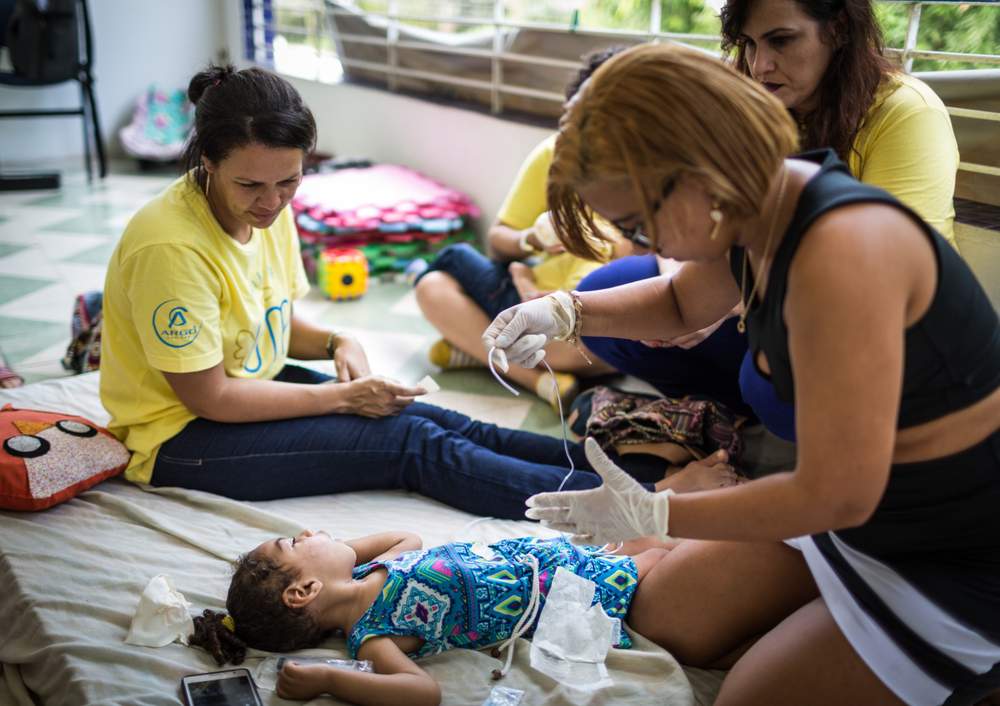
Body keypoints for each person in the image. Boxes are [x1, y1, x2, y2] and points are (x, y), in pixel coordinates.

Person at [485, 44, 1000, 705]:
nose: (648, 245)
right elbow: (681, 302)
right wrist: (565, 311)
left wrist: (657, 511)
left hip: (949, 549)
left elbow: (838, 494)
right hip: (861, 514)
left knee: (746, 698)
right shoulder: (766, 203)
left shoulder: (843, 254)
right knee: (664, 618)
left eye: (639, 222)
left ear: (697, 168)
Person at [98, 64, 725, 519]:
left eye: (288, 182)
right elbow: (210, 397)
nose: (272, 202)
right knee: (412, 444)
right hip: (180, 438)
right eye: (251, 186)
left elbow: (270, 325)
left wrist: (339, 340)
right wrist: (341, 397)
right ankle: (645, 504)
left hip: (241, 389)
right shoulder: (169, 246)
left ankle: (646, 471)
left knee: (432, 416)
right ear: (207, 161)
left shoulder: (268, 209)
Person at [574, 0, 960, 433]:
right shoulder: (750, 105)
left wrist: (724, 303)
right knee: (606, 294)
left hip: (862, 323)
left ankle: (783, 424)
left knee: (770, 378)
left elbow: (880, 283)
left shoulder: (906, 112)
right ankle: (723, 421)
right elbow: (695, 228)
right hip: (756, 293)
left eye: (781, 40)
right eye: (748, 44)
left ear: (838, 28)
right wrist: (568, 309)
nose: (760, 65)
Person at [189, 528, 671, 705]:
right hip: (561, 592)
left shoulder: (369, 572)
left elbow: (409, 539)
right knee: (657, 557)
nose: (309, 533)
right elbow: (423, 692)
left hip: (540, 557)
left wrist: (334, 555)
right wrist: (329, 681)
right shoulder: (373, 636)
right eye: (295, 543)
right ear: (305, 591)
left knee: (645, 536)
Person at [413, 48, 628, 412]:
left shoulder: (644, 185)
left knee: (454, 261)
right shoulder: (555, 155)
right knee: (432, 286)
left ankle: (476, 351)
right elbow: (500, 245)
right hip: (535, 308)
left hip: (586, 326)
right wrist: (533, 239)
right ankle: (536, 378)